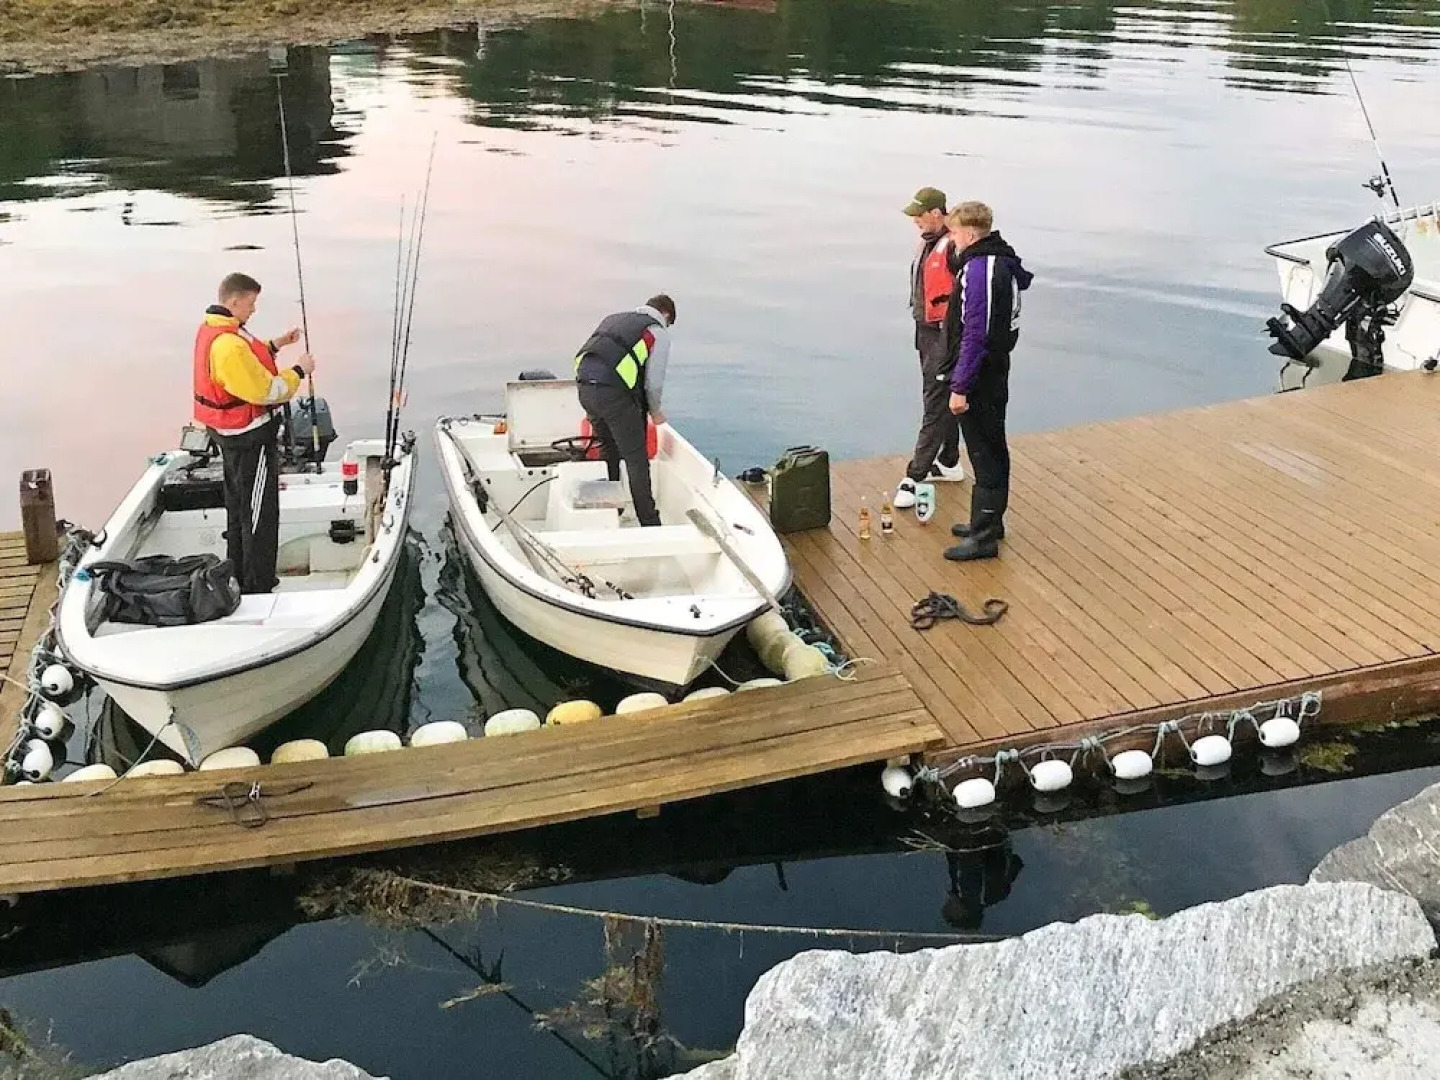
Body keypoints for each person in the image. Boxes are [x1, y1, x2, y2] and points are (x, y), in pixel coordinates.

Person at [192, 272, 315, 593]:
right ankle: (258, 584)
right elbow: (266, 391)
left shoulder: (215, 329)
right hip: (249, 438)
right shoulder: (229, 346)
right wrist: (300, 371)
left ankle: (238, 571)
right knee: (259, 512)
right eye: (251, 303)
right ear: (234, 301)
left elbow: (250, 356)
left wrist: (277, 344)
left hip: (226, 433)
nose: (253, 310)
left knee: (238, 505)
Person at [942, 201, 1033, 561]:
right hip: (991, 369)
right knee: (989, 446)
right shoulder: (995, 260)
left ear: (968, 233)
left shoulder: (982, 269)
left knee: (985, 450)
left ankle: (984, 537)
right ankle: (988, 522)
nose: (951, 240)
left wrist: (960, 386)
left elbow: (976, 333)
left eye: (953, 233)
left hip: (983, 375)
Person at [573, 294, 676, 527]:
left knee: (608, 448)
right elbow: (654, 381)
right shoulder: (656, 331)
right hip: (614, 396)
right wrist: (655, 411)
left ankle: (613, 508)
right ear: (666, 315)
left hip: (585, 388)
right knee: (636, 459)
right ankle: (650, 523)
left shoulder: (614, 319)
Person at [894, 185, 966, 512]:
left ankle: (915, 475)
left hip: (945, 337)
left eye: (919, 216)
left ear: (937, 214)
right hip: (926, 332)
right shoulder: (930, 242)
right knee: (939, 396)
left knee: (935, 402)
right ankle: (949, 462)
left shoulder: (954, 247)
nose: (915, 223)